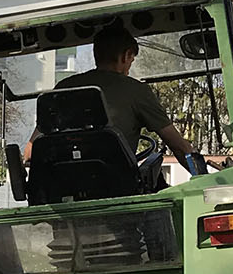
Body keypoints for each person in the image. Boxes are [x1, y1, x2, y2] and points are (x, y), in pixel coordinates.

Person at [33, 22, 206, 175]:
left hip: (60, 187)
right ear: (126, 56)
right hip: (117, 188)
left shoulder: (63, 88)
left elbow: (30, 150)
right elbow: (178, 146)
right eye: (131, 60)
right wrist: (203, 177)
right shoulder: (136, 91)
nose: (130, 67)